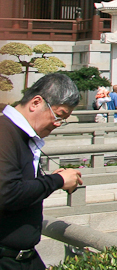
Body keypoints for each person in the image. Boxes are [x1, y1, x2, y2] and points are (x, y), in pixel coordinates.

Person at [0, 73, 84, 269]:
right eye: (59, 115)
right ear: (36, 103)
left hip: (25, 258)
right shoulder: (4, 133)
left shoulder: (21, 136)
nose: (57, 124)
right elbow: (6, 194)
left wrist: (54, 179)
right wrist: (56, 181)